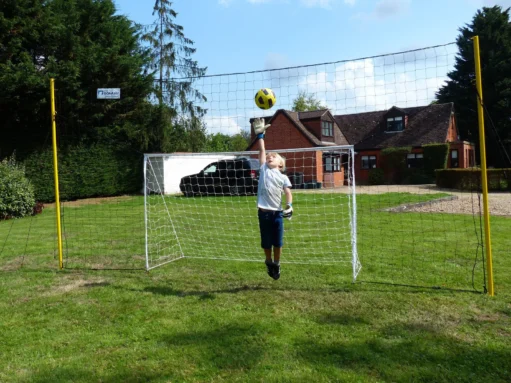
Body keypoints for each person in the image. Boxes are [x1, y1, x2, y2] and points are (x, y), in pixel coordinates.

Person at [252, 118, 293, 280]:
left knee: (278, 242)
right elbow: (262, 152)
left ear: (280, 164)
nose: (270, 157)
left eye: (274, 156)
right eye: (269, 156)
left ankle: (276, 263)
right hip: (263, 214)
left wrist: (289, 205)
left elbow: (288, 192)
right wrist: (260, 136)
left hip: (277, 214)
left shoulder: (283, 178)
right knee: (266, 242)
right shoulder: (263, 170)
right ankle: (268, 260)